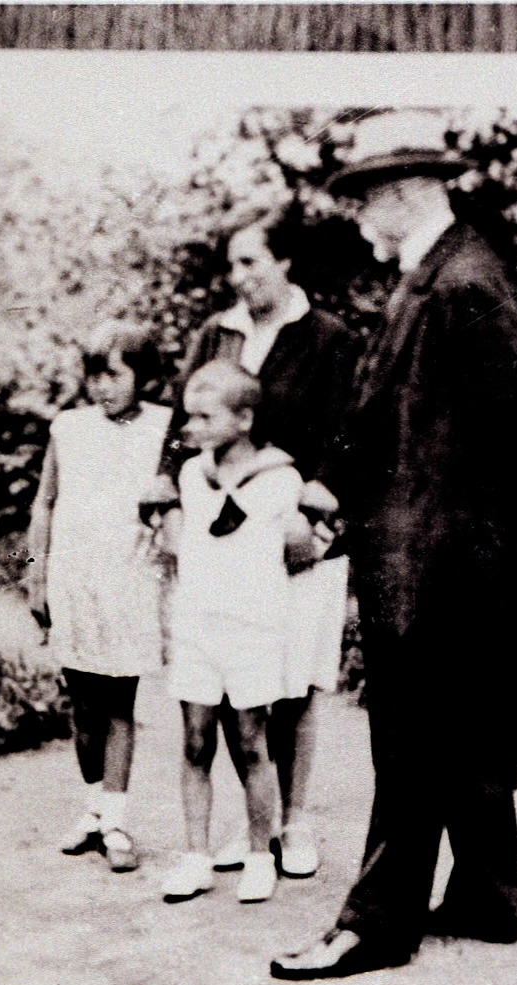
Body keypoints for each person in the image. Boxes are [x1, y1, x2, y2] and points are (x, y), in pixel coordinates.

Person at [270, 110, 517, 981]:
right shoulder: (434, 278)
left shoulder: (463, 286)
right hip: (433, 552)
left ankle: (376, 922)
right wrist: (336, 494)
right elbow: (385, 414)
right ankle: (486, 895)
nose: (358, 218)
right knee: (462, 732)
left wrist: (461, 541)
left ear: (403, 195)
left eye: (364, 199)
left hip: (446, 562)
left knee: (409, 738)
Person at [147, 207, 360, 879]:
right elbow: (183, 425)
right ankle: (251, 826)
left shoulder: (327, 336)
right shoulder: (218, 333)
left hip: (295, 530)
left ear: (285, 262)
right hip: (222, 544)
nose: (238, 278)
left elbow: (348, 432)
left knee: (290, 682)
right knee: (232, 688)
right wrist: (168, 508)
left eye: (251, 262)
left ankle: (291, 824)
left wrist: (315, 519)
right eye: (231, 265)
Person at [157, 361, 312, 905]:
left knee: (252, 742)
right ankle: (196, 856)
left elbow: (297, 551)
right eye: (188, 415)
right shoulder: (188, 475)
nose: (190, 426)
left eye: (204, 416)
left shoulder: (281, 478)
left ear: (244, 418)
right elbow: (187, 543)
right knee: (195, 742)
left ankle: (259, 854)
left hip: (251, 629)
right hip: (198, 625)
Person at [26, 322, 173, 873]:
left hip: (130, 579)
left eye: (114, 374)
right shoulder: (68, 426)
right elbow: (44, 504)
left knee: (118, 702)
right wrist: (31, 574)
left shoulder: (164, 428)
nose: (102, 387)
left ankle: (116, 820)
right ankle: (93, 809)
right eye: (94, 375)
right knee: (81, 702)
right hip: (72, 579)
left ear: (144, 375)